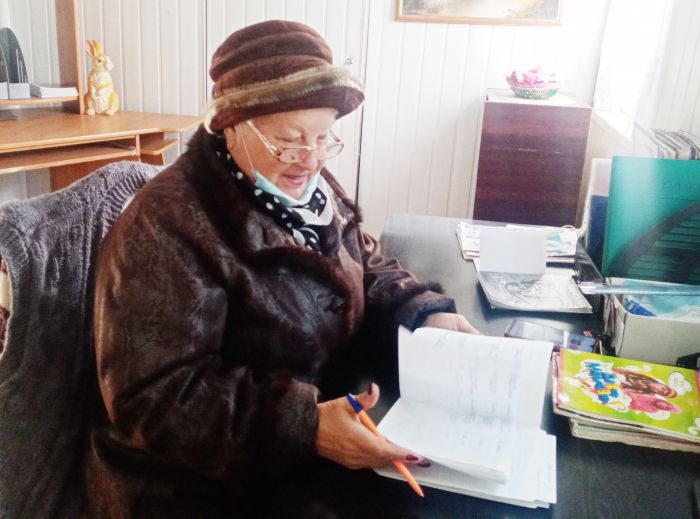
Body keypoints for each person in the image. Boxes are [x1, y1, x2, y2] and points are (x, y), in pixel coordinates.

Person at [84, 20, 478, 518]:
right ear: (230, 126)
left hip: (311, 437)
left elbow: (361, 260)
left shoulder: (304, 186)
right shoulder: (166, 225)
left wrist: (422, 310)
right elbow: (155, 399)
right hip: (194, 487)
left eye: (323, 138)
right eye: (288, 140)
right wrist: (304, 428)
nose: (309, 160)